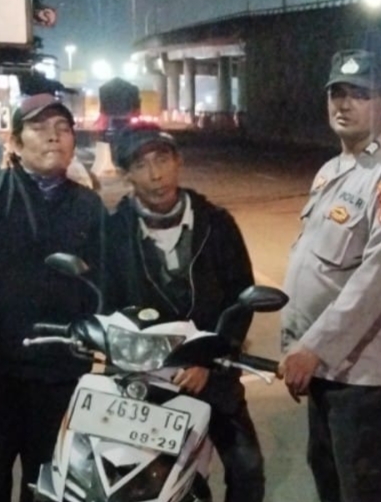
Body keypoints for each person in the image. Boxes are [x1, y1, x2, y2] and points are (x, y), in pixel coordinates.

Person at [279, 48, 381, 502]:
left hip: (366, 378)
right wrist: (299, 345)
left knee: (367, 490)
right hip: (328, 368)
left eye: (360, 94)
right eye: (337, 93)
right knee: (330, 479)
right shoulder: (332, 171)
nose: (343, 105)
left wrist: (312, 348)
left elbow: (375, 281)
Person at [0, 93, 106, 502]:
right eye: (39, 128)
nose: (54, 137)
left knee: (51, 491)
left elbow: (107, 285)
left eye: (63, 129)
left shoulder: (89, 206)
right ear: (15, 143)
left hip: (59, 379)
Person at [103, 123, 265, 502]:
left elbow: (240, 298)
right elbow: (108, 304)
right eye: (141, 165)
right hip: (145, 376)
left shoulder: (216, 223)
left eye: (162, 160)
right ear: (126, 175)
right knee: (143, 478)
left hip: (213, 373)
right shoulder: (113, 231)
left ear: (178, 161)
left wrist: (208, 358)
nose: (155, 175)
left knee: (247, 466)